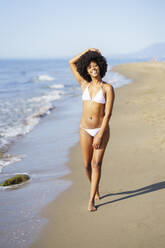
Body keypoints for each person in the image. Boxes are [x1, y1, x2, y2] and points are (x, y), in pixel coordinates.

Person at [69, 48, 115, 212]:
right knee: (86, 165)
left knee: (96, 164)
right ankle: (95, 189)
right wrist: (88, 51)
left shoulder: (107, 88)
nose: (93, 69)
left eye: (95, 65)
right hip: (84, 129)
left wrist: (100, 135)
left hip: (101, 130)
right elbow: (71, 63)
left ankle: (91, 200)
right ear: (86, 70)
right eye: (89, 67)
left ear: (100, 66)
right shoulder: (84, 84)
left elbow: (108, 114)